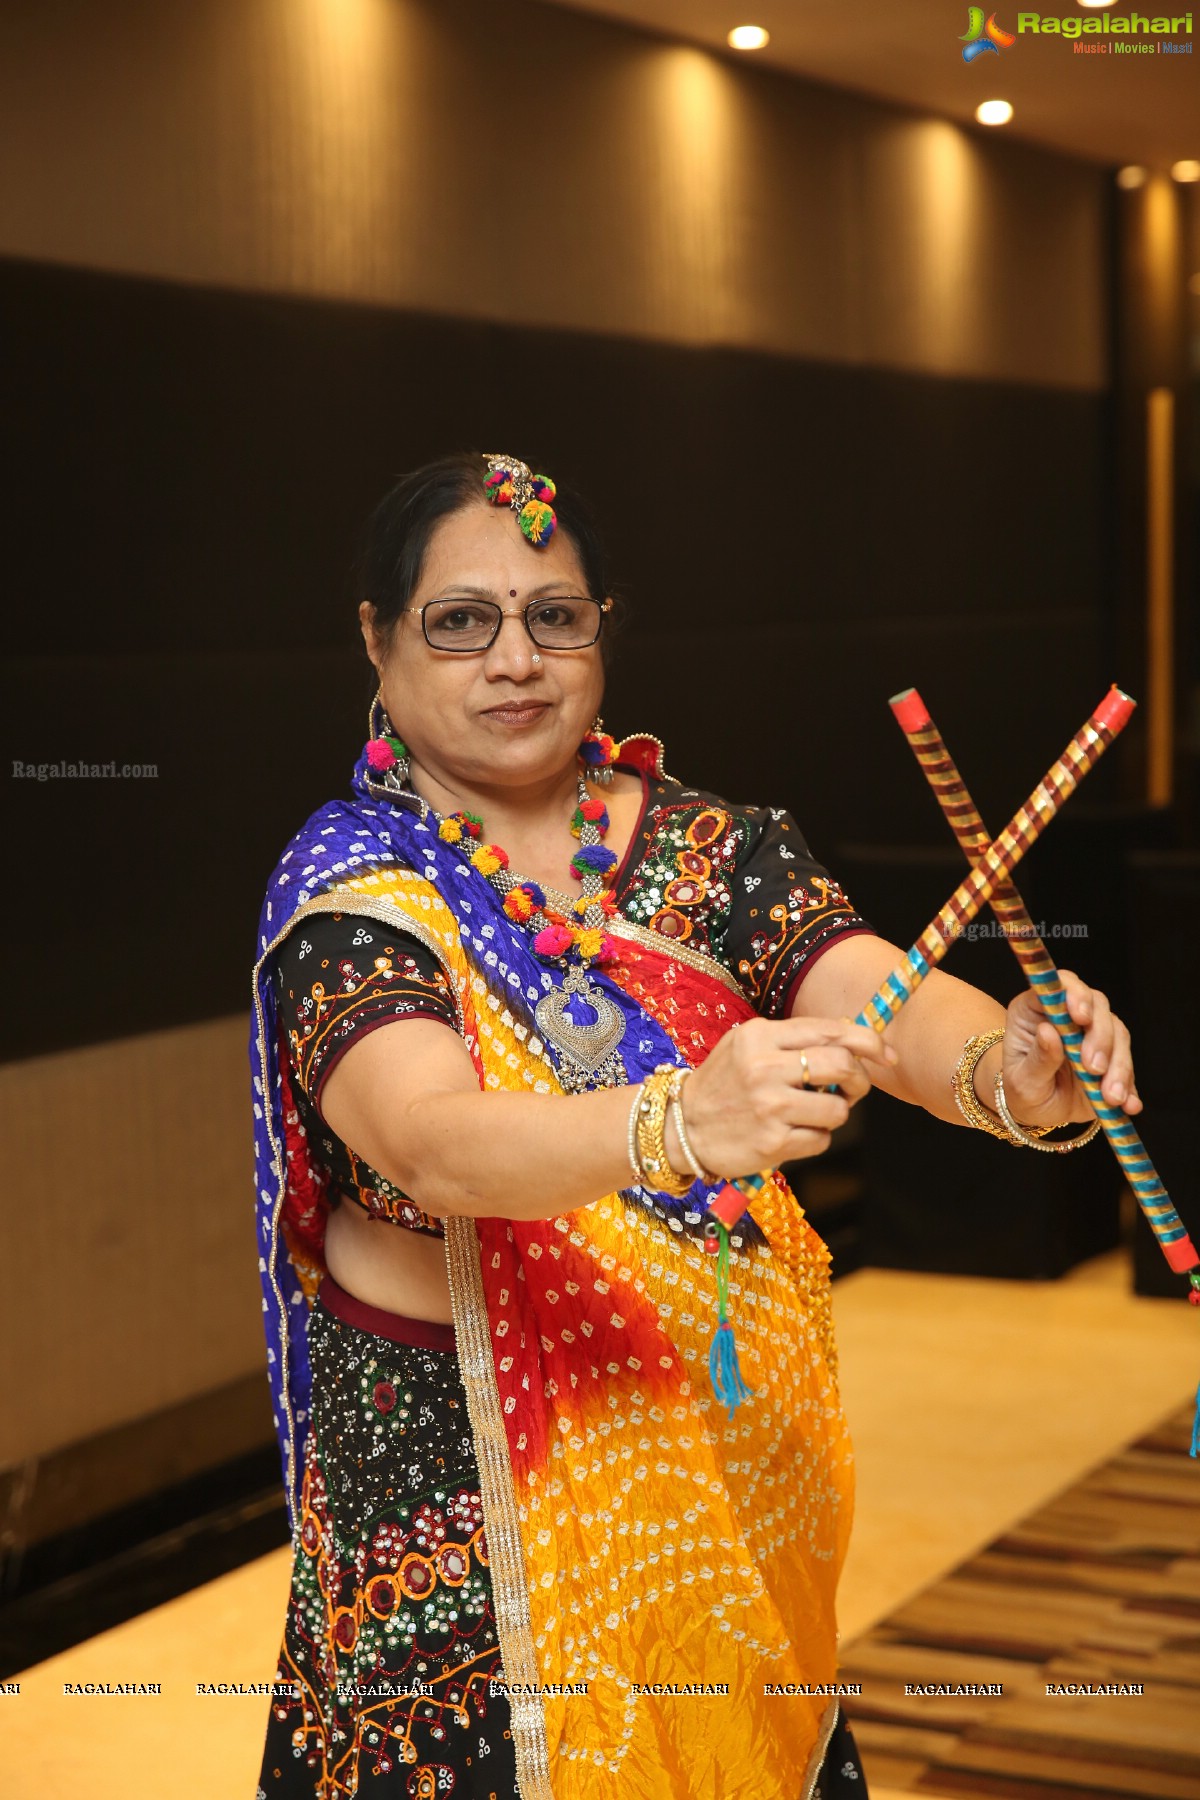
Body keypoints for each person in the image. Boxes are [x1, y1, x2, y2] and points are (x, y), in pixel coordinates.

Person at [250, 451, 1139, 1800]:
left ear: (604, 627)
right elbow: (428, 1139)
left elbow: (875, 997)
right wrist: (676, 1123)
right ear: (377, 640)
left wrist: (1012, 1070)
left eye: (557, 616)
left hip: (710, 1441)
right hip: (462, 1467)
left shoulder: (708, 847)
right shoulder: (358, 887)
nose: (516, 660)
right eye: (460, 621)